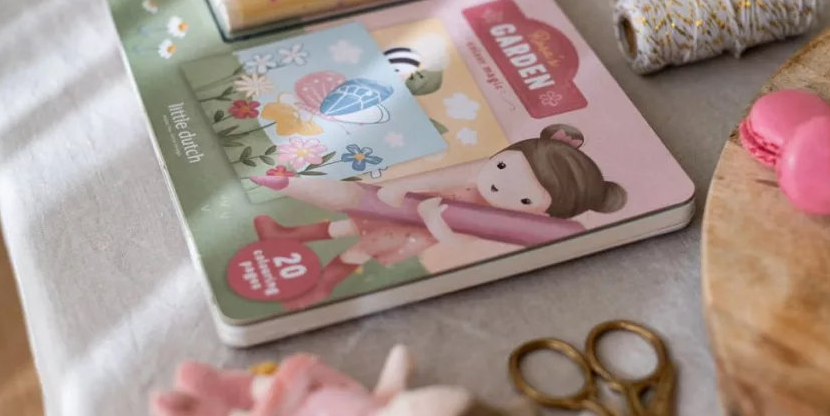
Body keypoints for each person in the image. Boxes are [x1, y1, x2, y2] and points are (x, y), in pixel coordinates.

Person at [250, 124, 627, 309]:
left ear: (541, 213)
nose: (497, 184)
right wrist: (400, 186)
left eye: (526, 198)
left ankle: (323, 285)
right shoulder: (477, 174)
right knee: (351, 223)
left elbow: (455, 241)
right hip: (406, 205)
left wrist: (433, 220)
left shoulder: (490, 218)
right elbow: (439, 178)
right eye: (501, 167)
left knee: (361, 246)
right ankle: (290, 236)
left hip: (416, 230)